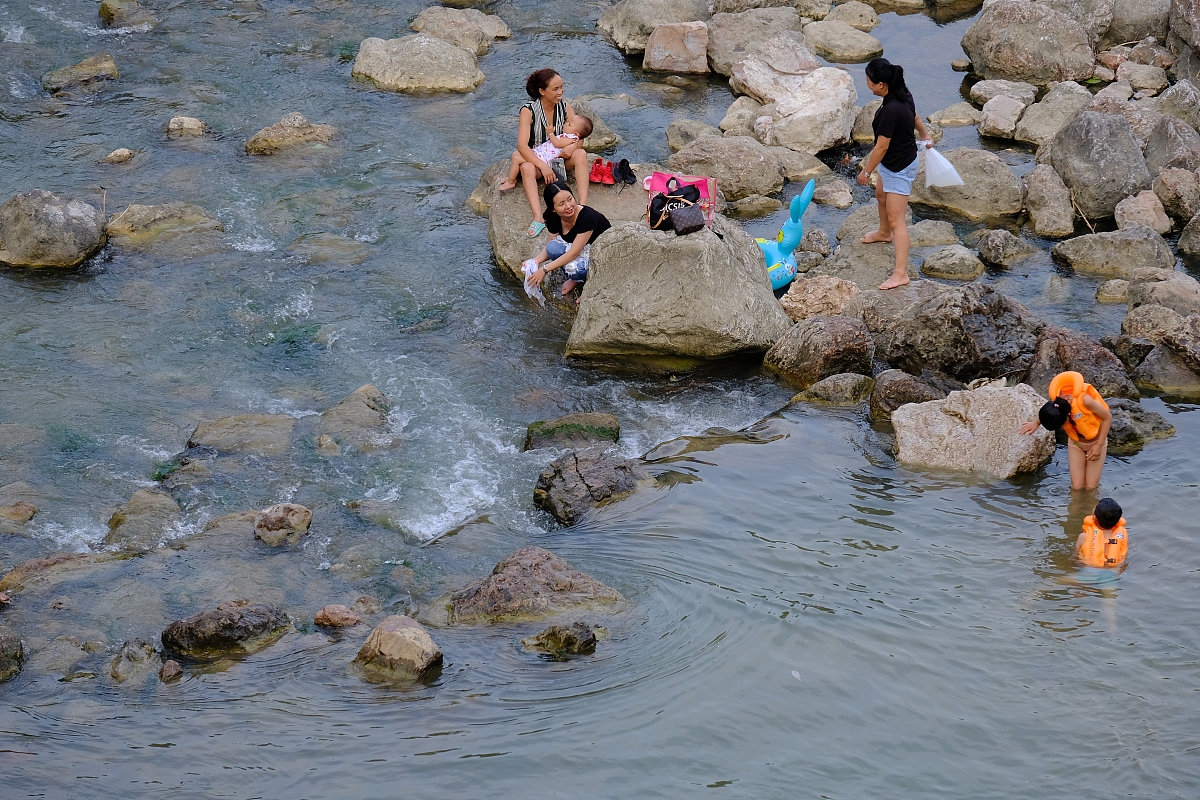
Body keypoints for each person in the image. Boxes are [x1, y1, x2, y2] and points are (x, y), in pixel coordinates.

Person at [856, 57, 933, 290]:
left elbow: (881, 147)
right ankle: (883, 233)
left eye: (869, 81)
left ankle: (901, 274)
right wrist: (924, 135)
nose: (867, 84)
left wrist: (866, 171)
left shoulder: (891, 109)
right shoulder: (901, 92)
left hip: (899, 166)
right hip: (892, 163)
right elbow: (915, 117)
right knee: (881, 196)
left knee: (897, 220)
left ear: (881, 85)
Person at [506, 68, 591, 237]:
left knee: (581, 154)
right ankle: (538, 217)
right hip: (538, 159)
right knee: (527, 168)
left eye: (561, 87)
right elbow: (522, 146)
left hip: (559, 159)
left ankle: (581, 206)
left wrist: (573, 147)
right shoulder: (528, 111)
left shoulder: (565, 106)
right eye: (556, 89)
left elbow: (579, 136)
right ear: (541, 91)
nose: (561, 91)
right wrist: (543, 167)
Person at [1020, 371, 1113, 490]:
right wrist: (1037, 423)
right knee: (1077, 487)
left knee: (1091, 487)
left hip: (1096, 443)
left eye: (1063, 423)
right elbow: (1050, 412)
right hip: (1076, 444)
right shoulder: (1056, 405)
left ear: (1067, 414)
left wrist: (1099, 446)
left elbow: (1107, 418)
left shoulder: (1085, 401)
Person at [523, 181, 610, 302]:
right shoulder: (552, 216)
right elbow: (550, 244)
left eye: (570, 199)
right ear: (553, 209)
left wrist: (544, 269)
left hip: (601, 254)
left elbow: (573, 253)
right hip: (580, 249)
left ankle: (590, 285)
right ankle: (576, 279)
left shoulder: (587, 217)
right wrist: (536, 260)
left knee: (572, 269)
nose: (568, 206)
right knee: (552, 248)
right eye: (561, 204)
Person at [498, 114, 593, 194]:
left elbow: (558, 144)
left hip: (545, 158)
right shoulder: (569, 135)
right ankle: (511, 178)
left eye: (569, 124)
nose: (565, 124)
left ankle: (511, 181)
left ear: (576, 133)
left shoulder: (571, 137)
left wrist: (551, 133)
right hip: (541, 154)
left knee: (516, 158)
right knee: (516, 155)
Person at [1077, 497, 1128, 568]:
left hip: (1089, 572)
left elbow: (1076, 556)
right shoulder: (1121, 536)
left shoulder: (1083, 537)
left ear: (1095, 517)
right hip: (1112, 573)